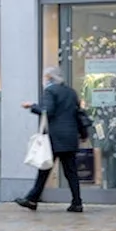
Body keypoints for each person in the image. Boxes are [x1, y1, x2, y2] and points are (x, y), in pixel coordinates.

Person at [16, 67, 84, 212]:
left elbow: (48, 111)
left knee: (44, 167)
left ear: (49, 78)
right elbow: (78, 114)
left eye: (45, 77)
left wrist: (32, 106)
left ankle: (32, 199)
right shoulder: (71, 92)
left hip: (55, 137)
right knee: (71, 172)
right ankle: (77, 202)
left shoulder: (50, 91)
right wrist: (83, 133)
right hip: (70, 137)